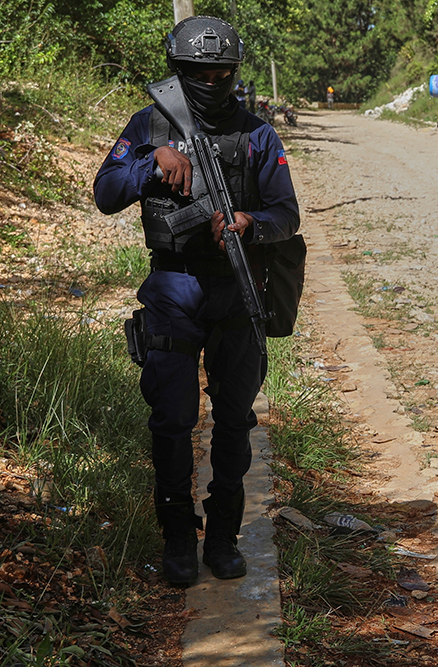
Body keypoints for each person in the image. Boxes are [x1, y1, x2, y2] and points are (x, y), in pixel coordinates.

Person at [93, 15, 299, 587]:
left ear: (235, 73)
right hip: (172, 290)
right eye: (199, 72)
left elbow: (288, 216)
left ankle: (225, 538)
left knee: (235, 422)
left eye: (223, 72)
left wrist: (247, 222)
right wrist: (148, 165)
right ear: (178, 72)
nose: (212, 81)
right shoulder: (148, 125)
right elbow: (105, 193)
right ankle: (179, 539)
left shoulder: (258, 134)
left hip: (236, 293)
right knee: (172, 423)